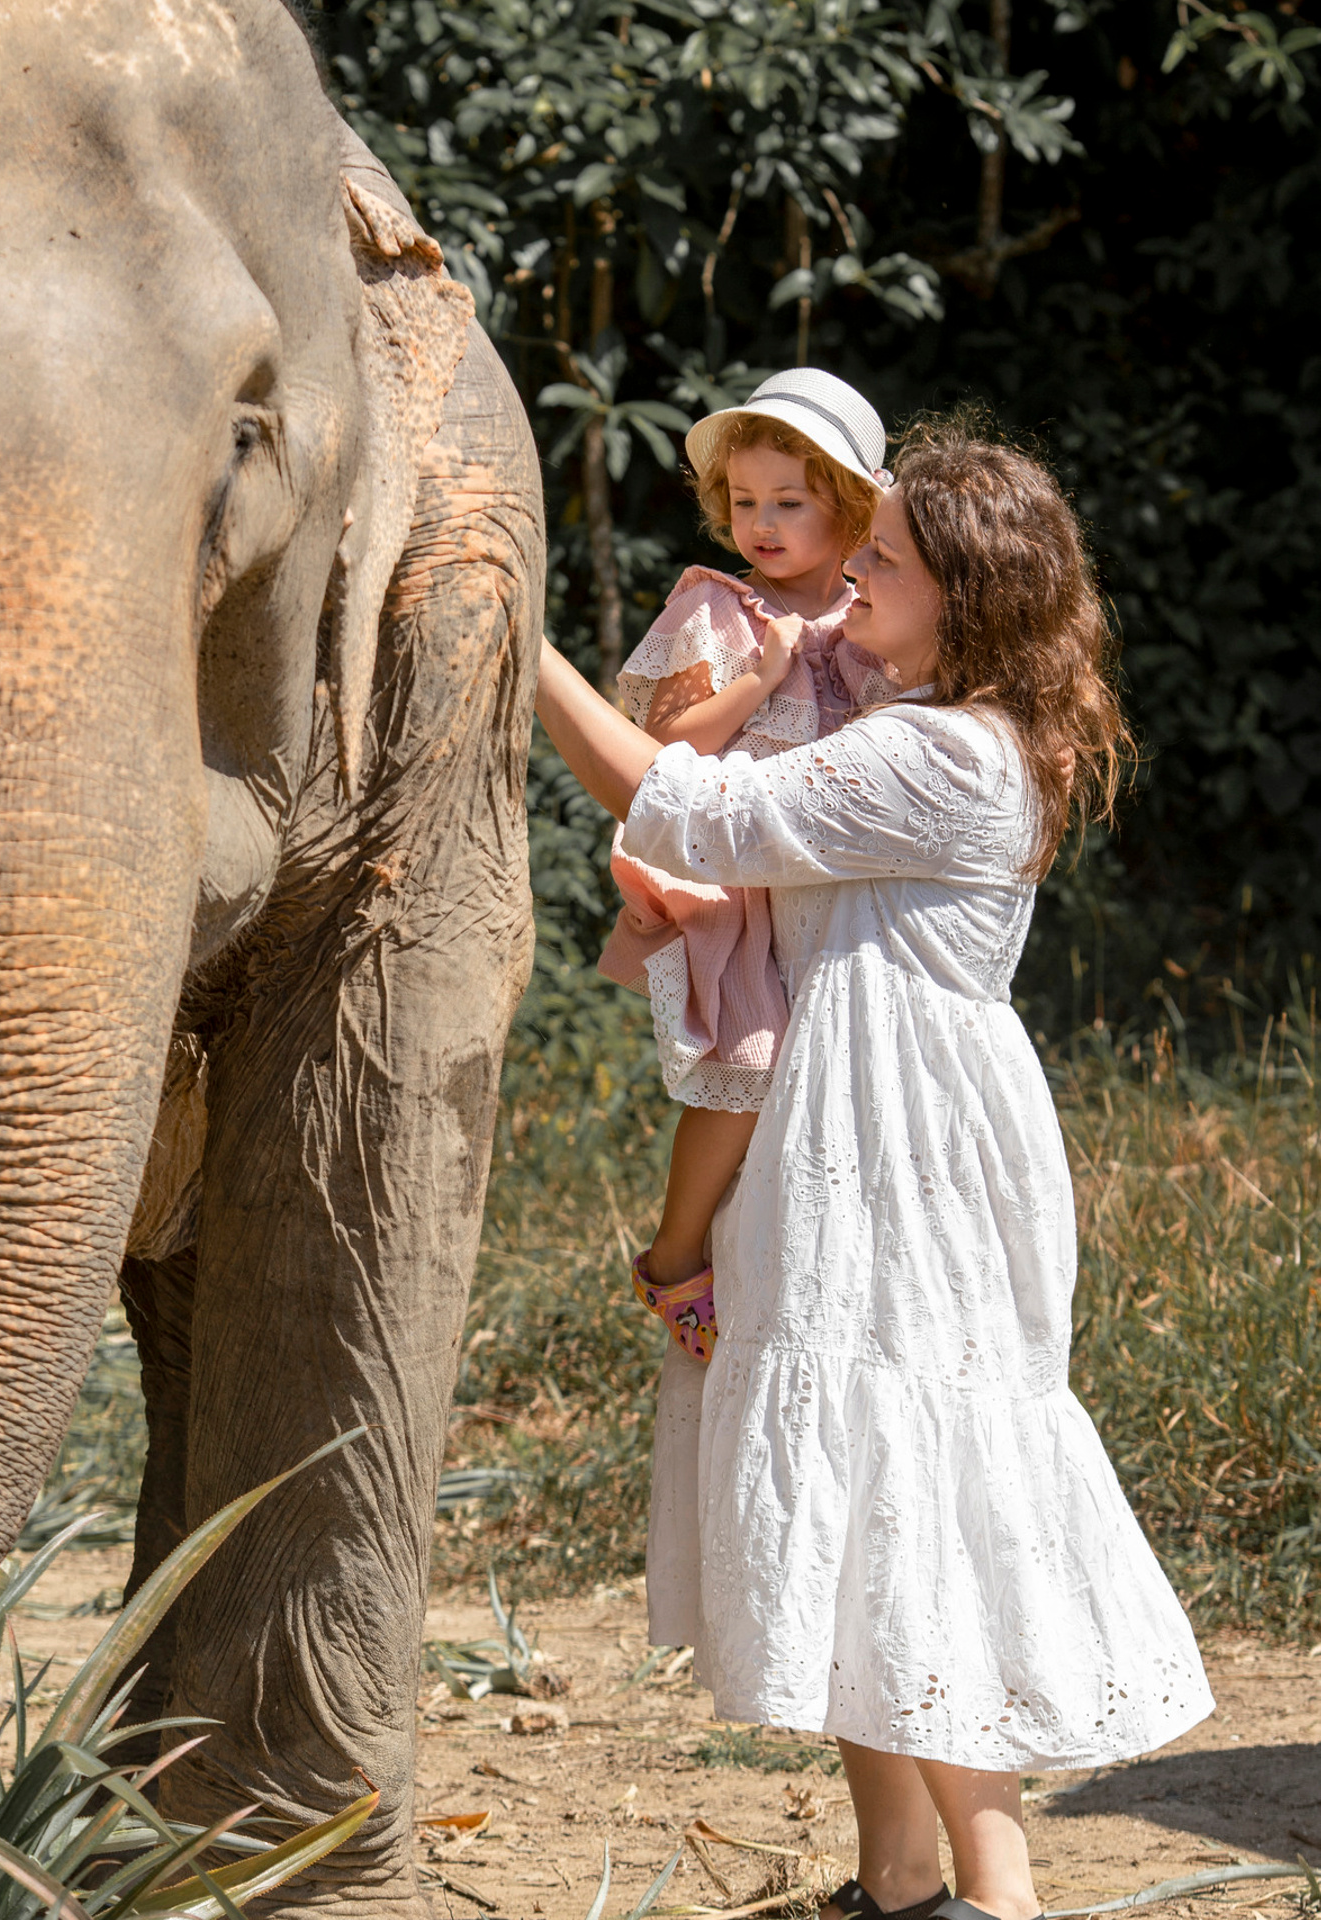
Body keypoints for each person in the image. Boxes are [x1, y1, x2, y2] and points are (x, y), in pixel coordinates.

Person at [535, 415, 1214, 1920]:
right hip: (860, 1117)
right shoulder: (930, 723)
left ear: (965, 597)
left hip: (905, 1140)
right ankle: (902, 1879)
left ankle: (998, 1889)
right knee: (862, 1488)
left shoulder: (938, 753)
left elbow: (678, 804)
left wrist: (523, 652)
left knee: (919, 1482)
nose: (851, 581)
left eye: (885, 563)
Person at [600, 369, 895, 1360]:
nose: (761, 524)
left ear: (850, 508)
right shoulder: (722, 611)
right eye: (744, 501)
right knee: (751, 1061)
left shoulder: (875, 611)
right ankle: (675, 1253)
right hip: (737, 873)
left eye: (789, 503)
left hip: (838, 875)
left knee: (845, 1065)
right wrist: (764, 676)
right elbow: (662, 746)